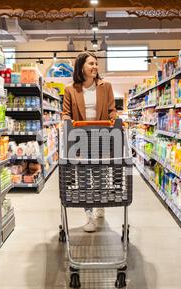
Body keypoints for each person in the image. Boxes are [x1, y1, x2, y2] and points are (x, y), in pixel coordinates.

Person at [62, 51, 118, 232]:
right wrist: (66, 121)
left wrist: (115, 119)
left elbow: (111, 110)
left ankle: (99, 205)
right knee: (84, 178)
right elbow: (66, 113)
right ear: (81, 67)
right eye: (91, 64)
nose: (95, 66)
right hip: (80, 139)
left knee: (100, 176)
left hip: (102, 137)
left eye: (96, 63)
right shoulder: (71, 89)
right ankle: (89, 217)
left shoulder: (106, 86)